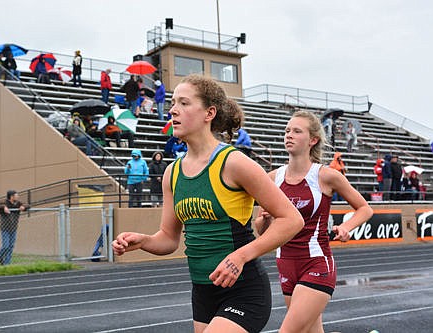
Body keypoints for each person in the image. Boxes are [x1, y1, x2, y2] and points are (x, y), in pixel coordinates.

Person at [113, 74, 304, 333]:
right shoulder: (172, 173)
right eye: (172, 103)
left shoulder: (234, 163)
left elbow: (292, 219)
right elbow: (169, 238)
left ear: (209, 113)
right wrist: (144, 241)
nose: (173, 110)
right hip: (202, 293)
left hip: (243, 291)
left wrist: (240, 255)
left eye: (184, 103)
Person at [254, 110, 373, 333]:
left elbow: (365, 208)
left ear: (313, 140)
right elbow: (262, 231)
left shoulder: (326, 176)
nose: (289, 135)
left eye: (297, 131)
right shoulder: (271, 179)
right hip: (286, 263)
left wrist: (346, 227)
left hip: (316, 263)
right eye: (287, 130)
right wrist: (266, 220)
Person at [0, 190, 28, 265]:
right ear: (11, 196)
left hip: (14, 228)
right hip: (5, 228)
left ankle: (7, 263)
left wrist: (24, 206)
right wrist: (4, 207)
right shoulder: (4, 202)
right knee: (5, 246)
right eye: (16, 195)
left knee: (11, 246)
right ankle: (0, 256)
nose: (18, 196)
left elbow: (28, 205)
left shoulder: (18, 203)